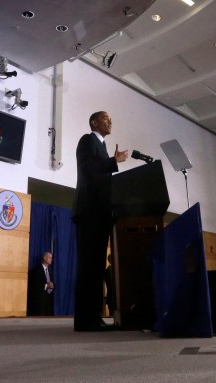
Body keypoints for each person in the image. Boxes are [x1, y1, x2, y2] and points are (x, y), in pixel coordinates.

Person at [72, 111, 128, 331]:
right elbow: (89, 170)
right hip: (88, 212)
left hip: (100, 213)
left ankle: (93, 317)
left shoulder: (102, 146)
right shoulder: (87, 140)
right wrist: (114, 161)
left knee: (96, 268)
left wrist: (111, 161)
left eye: (111, 118)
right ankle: (86, 320)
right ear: (94, 122)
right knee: (88, 268)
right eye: (106, 118)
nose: (110, 121)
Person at [27, 251, 55, 316]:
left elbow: (52, 283)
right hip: (40, 300)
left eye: (51, 258)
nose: (51, 259)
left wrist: (53, 285)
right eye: (49, 258)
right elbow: (33, 285)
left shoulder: (50, 271)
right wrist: (46, 286)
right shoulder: (36, 270)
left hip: (49, 300)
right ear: (45, 258)